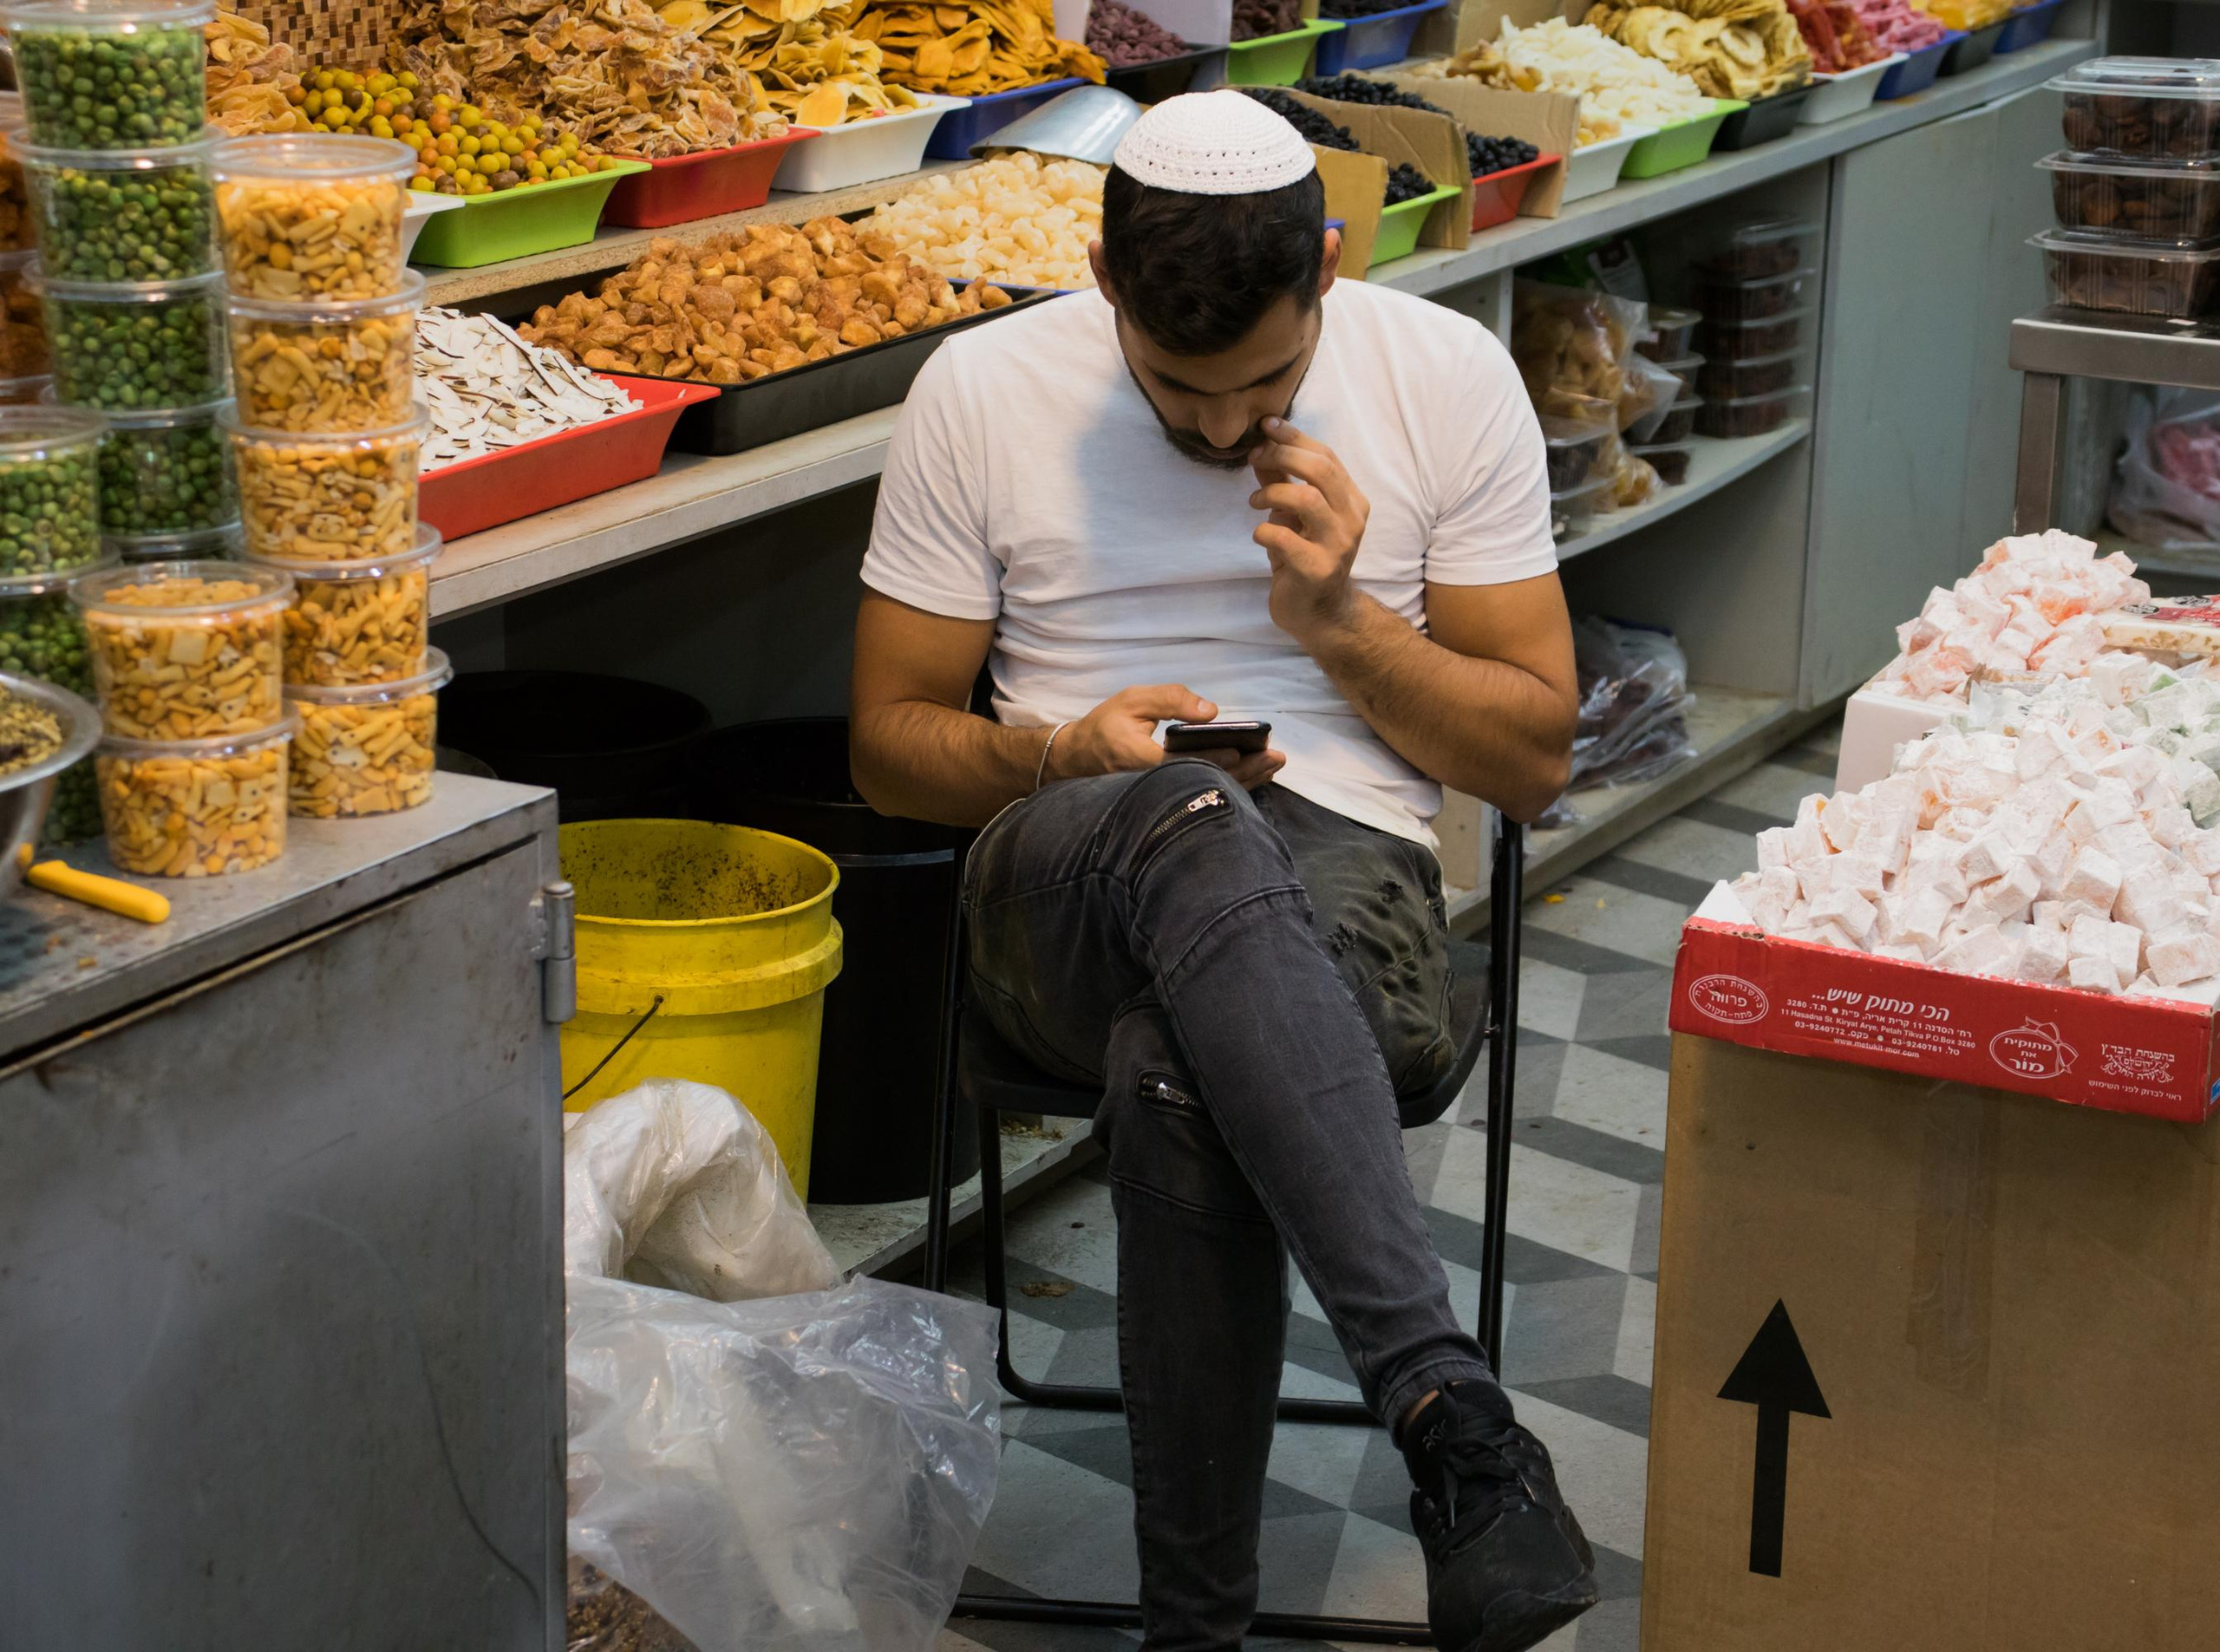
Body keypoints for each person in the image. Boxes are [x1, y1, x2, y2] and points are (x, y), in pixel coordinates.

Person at [850, 90, 1591, 1652]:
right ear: (1106, 286)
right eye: (1178, 389)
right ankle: (1451, 1412)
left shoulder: (1445, 374)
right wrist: (1066, 752)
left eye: (1265, 381)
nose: (1217, 428)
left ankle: (1198, 1635)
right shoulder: (982, 388)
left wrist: (1343, 627)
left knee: (1182, 1063)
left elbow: (1531, 755)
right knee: (1186, 817)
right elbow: (886, 745)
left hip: (1345, 888)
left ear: (1328, 266)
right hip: (1057, 870)